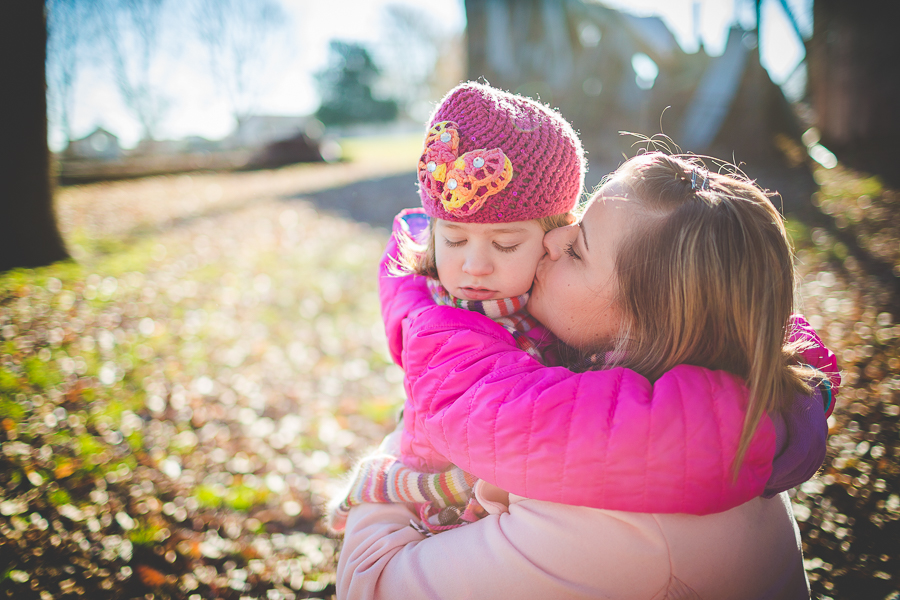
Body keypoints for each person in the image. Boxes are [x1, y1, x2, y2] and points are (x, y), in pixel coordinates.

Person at [335, 150, 839, 599]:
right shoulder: (707, 415)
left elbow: (373, 582)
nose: (553, 239)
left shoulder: (616, 509)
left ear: (646, 322)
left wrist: (410, 434)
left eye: (578, 250)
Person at [328, 81, 584, 533]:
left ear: (556, 238)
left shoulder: (571, 308)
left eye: (505, 244)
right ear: (433, 233)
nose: (474, 265)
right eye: (454, 239)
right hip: (440, 504)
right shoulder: (435, 315)